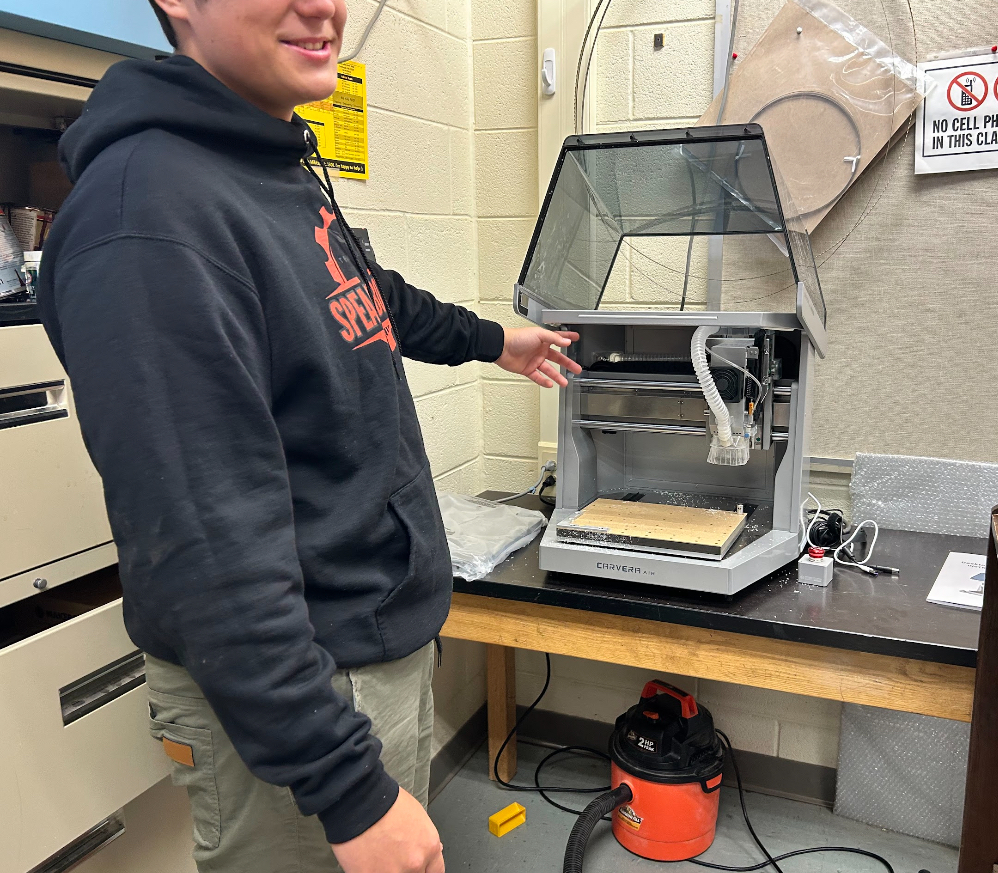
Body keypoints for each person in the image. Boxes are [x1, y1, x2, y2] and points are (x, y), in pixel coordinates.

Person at [36, 1, 580, 871]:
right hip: (304, 688)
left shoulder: (261, 162)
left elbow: (366, 293)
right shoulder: (148, 217)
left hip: (360, 651)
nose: (324, 7)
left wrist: (495, 341)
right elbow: (202, 542)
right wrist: (346, 785)